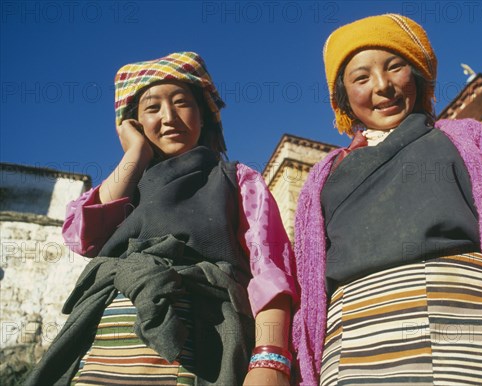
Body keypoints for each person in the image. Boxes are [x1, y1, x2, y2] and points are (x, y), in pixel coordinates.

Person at [291, 14, 482, 386]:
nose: (383, 86)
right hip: (353, 355)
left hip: (479, 346)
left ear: (418, 75)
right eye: (361, 77)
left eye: (395, 67)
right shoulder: (322, 178)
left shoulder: (469, 140)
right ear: (342, 95)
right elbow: (309, 294)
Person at [25, 52, 296, 386]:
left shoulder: (237, 179)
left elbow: (269, 271)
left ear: (203, 114)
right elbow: (83, 236)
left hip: (197, 351)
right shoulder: (126, 184)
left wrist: (269, 356)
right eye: (152, 108)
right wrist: (135, 154)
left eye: (182, 103)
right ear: (133, 123)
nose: (169, 117)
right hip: (100, 358)